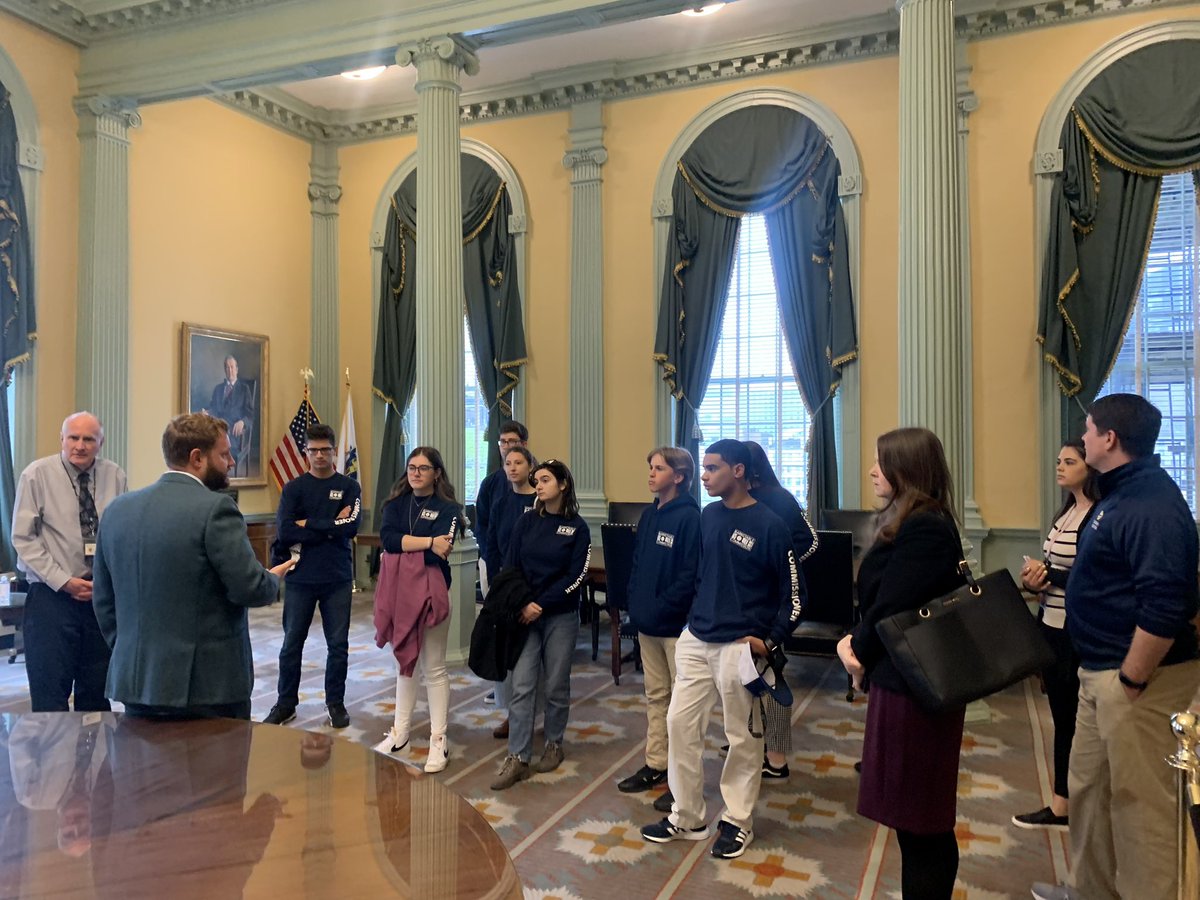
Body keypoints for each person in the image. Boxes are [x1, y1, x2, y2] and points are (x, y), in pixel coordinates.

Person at [1032, 394, 1200, 900]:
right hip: (1098, 670)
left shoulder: (1153, 504)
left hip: (1136, 684)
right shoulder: (1120, 493)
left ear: (1109, 439)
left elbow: (1167, 604)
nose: (1081, 439)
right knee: (1091, 795)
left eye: (1087, 430)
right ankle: (1091, 892)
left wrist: (1131, 677)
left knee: (1141, 812)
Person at [641, 438, 803, 860]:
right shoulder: (708, 516)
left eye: (713, 468)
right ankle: (687, 815)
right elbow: (699, 572)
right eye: (705, 468)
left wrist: (769, 640)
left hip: (740, 646)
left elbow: (796, 596)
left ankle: (737, 821)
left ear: (738, 471)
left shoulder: (770, 524)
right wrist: (694, 617)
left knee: (742, 738)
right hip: (697, 638)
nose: (705, 476)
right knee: (679, 724)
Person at [836, 427, 965, 900]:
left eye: (881, 462)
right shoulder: (914, 520)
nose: (872, 470)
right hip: (905, 682)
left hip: (916, 688)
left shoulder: (926, 526)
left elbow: (892, 605)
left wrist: (855, 651)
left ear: (906, 470)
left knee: (922, 821)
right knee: (914, 818)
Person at [92, 414, 292, 719]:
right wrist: (271, 579)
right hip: (209, 688)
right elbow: (249, 588)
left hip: (135, 681)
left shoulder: (117, 510)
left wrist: (129, 647)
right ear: (197, 458)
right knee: (215, 768)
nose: (232, 463)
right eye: (224, 455)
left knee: (142, 768)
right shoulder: (217, 509)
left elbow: (104, 601)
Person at [11, 412, 127, 712]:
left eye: (89, 439)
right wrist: (64, 581)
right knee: (50, 694)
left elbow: (121, 534)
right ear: (61, 440)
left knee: (96, 695)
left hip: (98, 600)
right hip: (52, 599)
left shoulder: (115, 475)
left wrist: (107, 583)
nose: (80, 445)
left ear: (101, 443)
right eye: (73, 438)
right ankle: (55, 761)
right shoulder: (36, 475)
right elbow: (24, 540)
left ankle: (96, 760)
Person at [1011, 440, 1097, 832]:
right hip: (1051, 623)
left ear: (1090, 466)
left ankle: (1073, 805)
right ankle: (1062, 804)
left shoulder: (1097, 515)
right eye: (1058, 461)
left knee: (1073, 720)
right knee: (1062, 718)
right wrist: (1036, 580)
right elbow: (1056, 573)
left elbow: (1092, 579)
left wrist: (1050, 576)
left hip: (1077, 630)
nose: (1060, 467)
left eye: (1070, 461)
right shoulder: (1067, 512)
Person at [491, 459, 591, 791]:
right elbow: (510, 566)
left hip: (560, 616)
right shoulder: (526, 522)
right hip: (525, 614)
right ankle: (517, 756)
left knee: (556, 685)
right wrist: (524, 603)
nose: (539, 485)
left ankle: (553, 744)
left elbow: (576, 577)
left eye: (545, 479)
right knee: (522, 685)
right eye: (537, 481)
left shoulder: (577, 528)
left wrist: (543, 604)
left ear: (563, 484)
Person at [263, 423, 362, 729]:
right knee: (292, 643)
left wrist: (310, 524)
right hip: (300, 577)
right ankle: (285, 703)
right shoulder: (294, 488)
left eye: (325, 450)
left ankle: (335, 703)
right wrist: (330, 524)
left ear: (334, 452)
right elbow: (286, 530)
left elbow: (351, 528)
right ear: (305, 452)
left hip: (337, 576)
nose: (319, 455)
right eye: (313, 450)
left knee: (338, 644)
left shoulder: (349, 487)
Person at [616, 447, 700, 803]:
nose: (651, 474)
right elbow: (638, 565)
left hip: (676, 628)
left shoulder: (691, 518)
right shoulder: (650, 515)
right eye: (650, 467)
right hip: (647, 623)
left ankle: (681, 779)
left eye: (659, 468)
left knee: (683, 708)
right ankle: (656, 764)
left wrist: (663, 607)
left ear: (678, 477)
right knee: (656, 697)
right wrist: (636, 602)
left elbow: (689, 575)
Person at [373, 447, 461, 774]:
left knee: (434, 667)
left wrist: (410, 546)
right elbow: (388, 540)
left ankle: (439, 739)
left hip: (433, 589)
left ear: (437, 473)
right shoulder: (395, 505)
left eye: (424, 468)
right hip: (399, 591)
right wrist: (426, 542)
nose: (416, 473)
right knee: (405, 662)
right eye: (412, 467)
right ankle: (400, 734)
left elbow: (441, 552)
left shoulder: (448, 508)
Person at [744, 440, 818, 780]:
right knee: (746, 681)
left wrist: (782, 566)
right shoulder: (734, 504)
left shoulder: (780, 498)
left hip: (773, 607)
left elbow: (810, 541)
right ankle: (750, 743)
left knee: (773, 683)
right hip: (744, 606)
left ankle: (777, 758)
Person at [484, 445, 538, 740]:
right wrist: (495, 582)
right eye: (508, 463)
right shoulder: (501, 502)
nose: (513, 467)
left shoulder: (541, 500)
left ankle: (530, 714)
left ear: (530, 466)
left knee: (533, 658)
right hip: (505, 586)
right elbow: (492, 545)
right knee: (507, 653)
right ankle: (510, 714)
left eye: (518, 462)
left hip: (534, 588)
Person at [474, 421, 530, 594]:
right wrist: (489, 558)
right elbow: (482, 524)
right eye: (503, 442)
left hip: (527, 566)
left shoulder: (540, 481)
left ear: (524, 445)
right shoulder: (490, 483)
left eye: (512, 441)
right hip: (493, 560)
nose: (506, 446)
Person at [204, 355, 255, 471]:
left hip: (233, 433)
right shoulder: (218, 389)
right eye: (227, 367)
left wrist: (243, 421)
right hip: (216, 430)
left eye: (232, 367)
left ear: (237, 369)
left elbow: (250, 415)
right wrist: (207, 413)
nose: (230, 370)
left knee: (216, 447)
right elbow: (213, 408)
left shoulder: (244, 389)